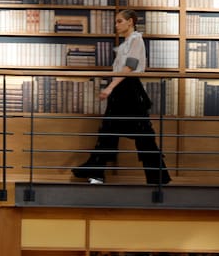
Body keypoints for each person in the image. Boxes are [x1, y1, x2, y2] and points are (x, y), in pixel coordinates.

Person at [72, 9, 171, 185]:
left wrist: (110, 87)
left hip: (129, 89)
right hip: (122, 89)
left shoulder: (136, 40)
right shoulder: (125, 43)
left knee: (142, 134)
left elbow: (130, 67)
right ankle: (96, 173)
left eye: (119, 21)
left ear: (130, 22)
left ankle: (158, 178)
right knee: (109, 131)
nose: (116, 25)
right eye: (116, 22)